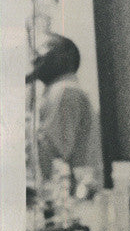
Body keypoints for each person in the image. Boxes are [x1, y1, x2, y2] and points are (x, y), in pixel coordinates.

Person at [26, 33, 102, 184]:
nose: (34, 58)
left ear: (63, 57)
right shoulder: (62, 90)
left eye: (42, 50)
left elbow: (48, 153)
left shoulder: (65, 91)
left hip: (73, 199)